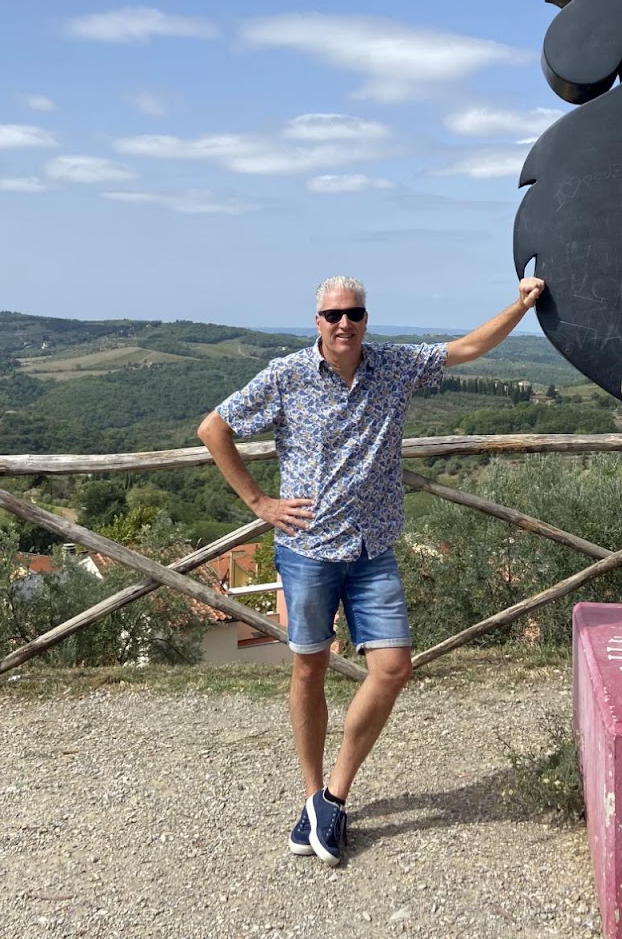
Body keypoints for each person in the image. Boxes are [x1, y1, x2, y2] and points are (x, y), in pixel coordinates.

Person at [197, 272, 545, 867]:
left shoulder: (394, 366)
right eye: (333, 315)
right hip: (308, 550)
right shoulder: (287, 375)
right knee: (308, 671)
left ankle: (334, 796)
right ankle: (313, 798)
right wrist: (260, 503)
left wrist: (519, 306)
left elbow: (467, 348)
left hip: (372, 550)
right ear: (317, 323)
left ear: (366, 319)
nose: (343, 324)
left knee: (393, 668)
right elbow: (214, 428)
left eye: (353, 314)